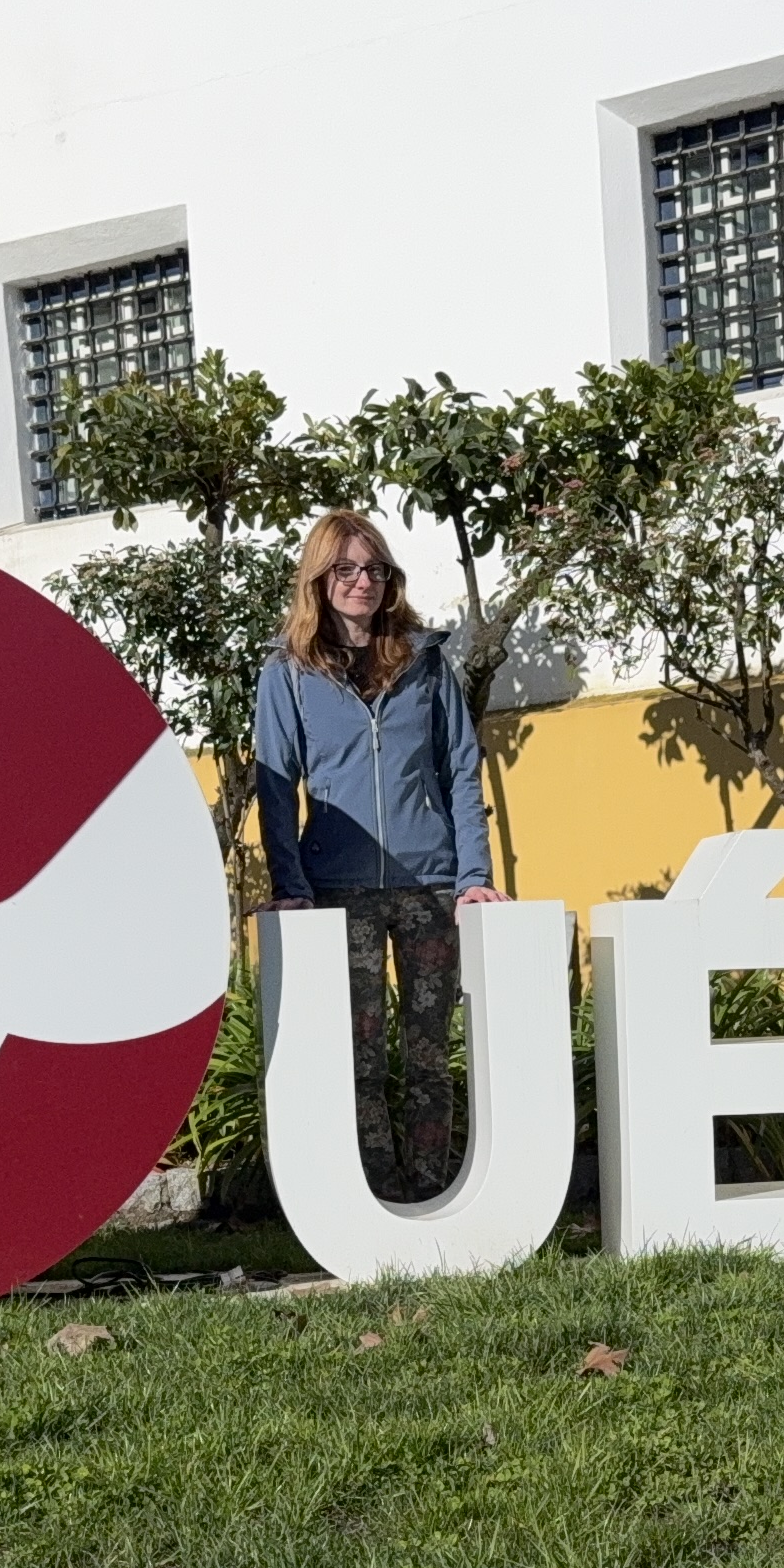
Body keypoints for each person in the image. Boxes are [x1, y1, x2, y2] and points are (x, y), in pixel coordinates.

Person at [254, 513, 500, 1200]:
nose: (362, 582)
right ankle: (379, 1196)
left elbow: (460, 769)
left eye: (375, 569)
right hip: (340, 889)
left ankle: (431, 1190)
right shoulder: (288, 673)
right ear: (319, 579)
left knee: (430, 1054)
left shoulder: (424, 662)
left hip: (431, 885)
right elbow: (276, 786)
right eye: (346, 569)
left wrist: (473, 875)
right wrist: (292, 883)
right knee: (358, 1054)